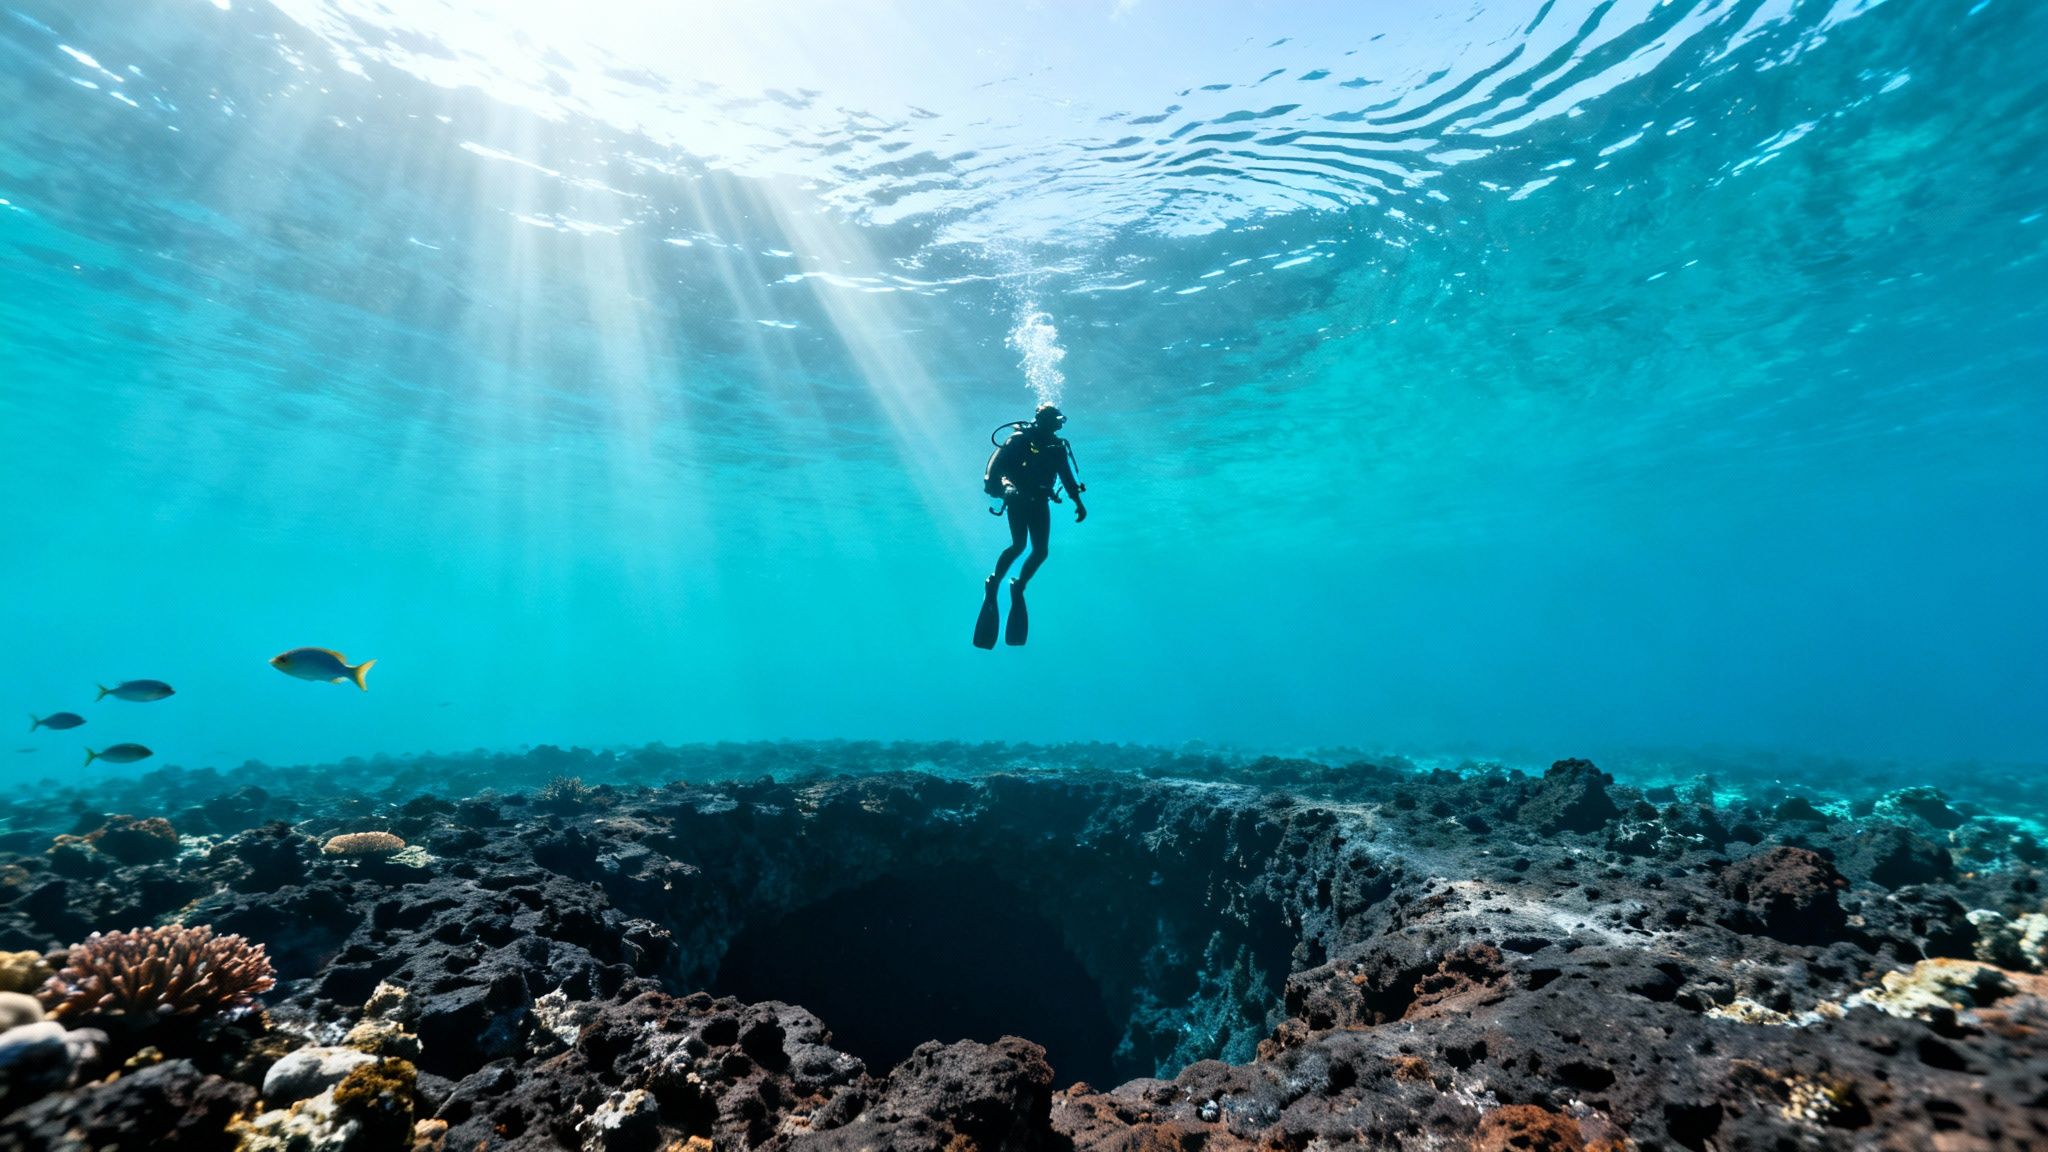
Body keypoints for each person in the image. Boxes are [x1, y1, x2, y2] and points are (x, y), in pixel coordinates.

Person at [974, 404, 1087, 648]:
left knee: (1041, 551)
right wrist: (1006, 489)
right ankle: (994, 582)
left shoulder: (1057, 448)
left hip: (1040, 501)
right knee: (1018, 545)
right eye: (1055, 421)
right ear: (1042, 421)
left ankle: (1018, 585)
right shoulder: (1017, 441)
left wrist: (1078, 501)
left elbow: (1067, 477)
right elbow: (993, 473)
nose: (1058, 425)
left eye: (1059, 422)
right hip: (1018, 500)